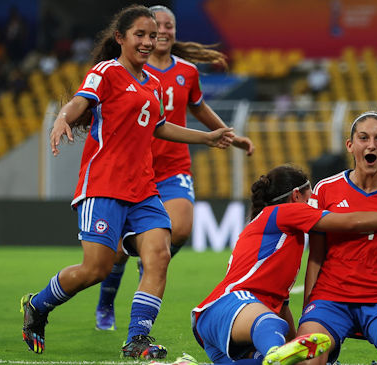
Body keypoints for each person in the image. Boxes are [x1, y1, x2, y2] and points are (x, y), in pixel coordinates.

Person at [19, 5, 234, 359]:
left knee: (159, 254)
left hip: (144, 188)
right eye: (140, 35)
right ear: (120, 38)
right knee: (96, 269)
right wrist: (61, 118)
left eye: (152, 35)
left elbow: (160, 127)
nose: (148, 41)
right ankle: (38, 306)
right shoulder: (107, 72)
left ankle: (137, 339)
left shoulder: (151, 82)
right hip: (103, 185)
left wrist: (207, 138)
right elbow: (79, 101)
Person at [93, 4, 255, 332]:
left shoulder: (187, 72)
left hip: (172, 167)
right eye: (157, 27)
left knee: (180, 228)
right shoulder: (126, 70)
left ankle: (151, 258)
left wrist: (229, 135)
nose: (164, 32)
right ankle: (107, 301)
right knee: (118, 253)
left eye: (169, 27)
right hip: (132, 169)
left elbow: (199, 107)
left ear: (174, 32)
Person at [183, 164, 377, 365]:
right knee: (274, 327)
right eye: (310, 196)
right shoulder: (285, 212)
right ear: (296, 196)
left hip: (230, 326)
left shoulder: (280, 236)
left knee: (279, 338)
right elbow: (350, 223)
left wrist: (298, 345)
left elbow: (282, 305)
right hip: (230, 305)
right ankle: (275, 353)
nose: (314, 202)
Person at [296, 111, 377, 365]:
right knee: (306, 361)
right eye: (363, 138)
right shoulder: (325, 190)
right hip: (330, 299)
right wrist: (307, 315)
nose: (371, 145)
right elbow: (315, 258)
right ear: (350, 145)